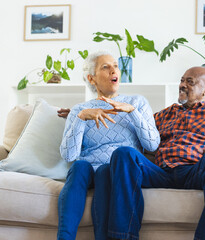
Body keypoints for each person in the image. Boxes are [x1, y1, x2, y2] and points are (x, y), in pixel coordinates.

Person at [105, 66, 205, 240]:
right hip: (161, 172)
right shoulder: (166, 114)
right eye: (182, 80)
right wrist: (83, 116)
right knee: (124, 154)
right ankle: (122, 237)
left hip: (196, 171)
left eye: (190, 82)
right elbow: (132, 127)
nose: (182, 85)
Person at [57, 51, 160, 240]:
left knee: (105, 171)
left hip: (119, 172)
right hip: (88, 171)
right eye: (105, 67)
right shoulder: (80, 110)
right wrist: (80, 119)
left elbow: (152, 145)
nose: (114, 70)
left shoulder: (136, 102)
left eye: (115, 65)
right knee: (79, 165)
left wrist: (133, 113)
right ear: (91, 78)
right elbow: (68, 156)